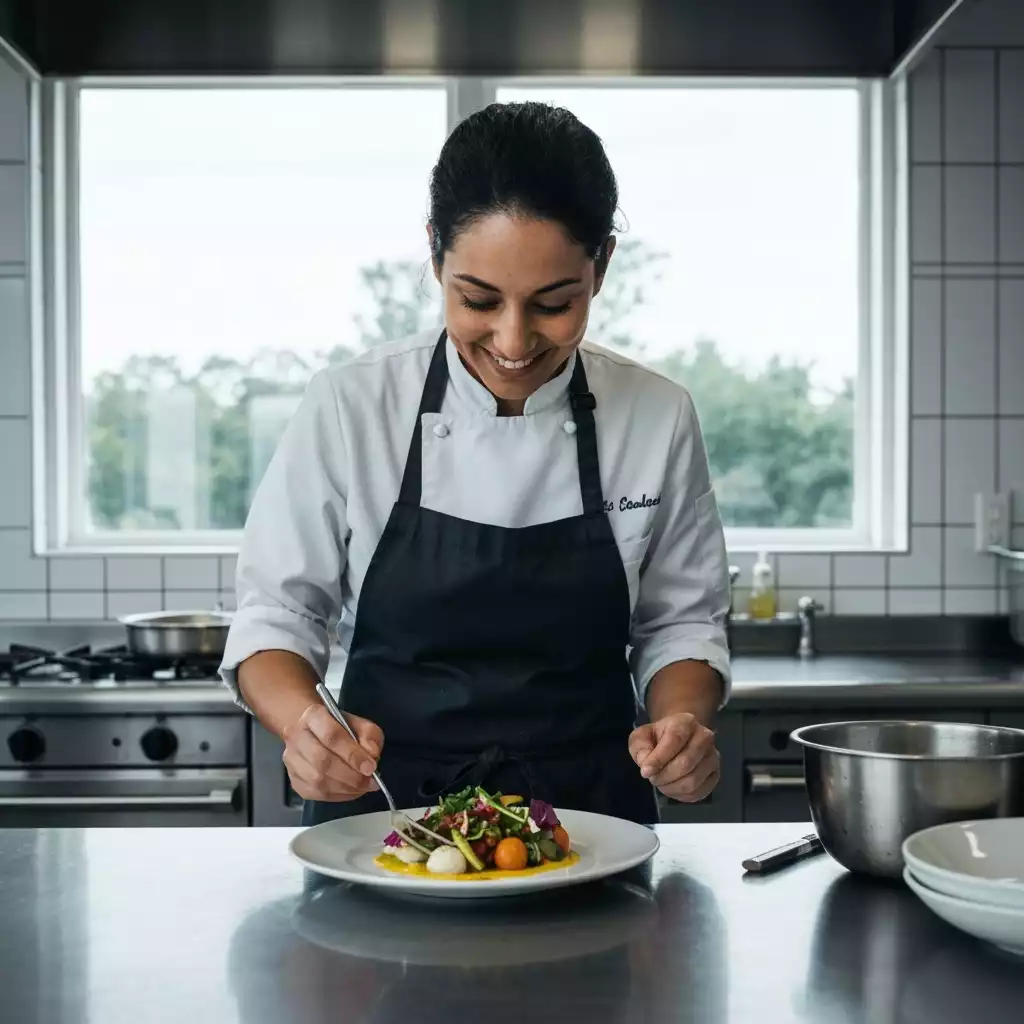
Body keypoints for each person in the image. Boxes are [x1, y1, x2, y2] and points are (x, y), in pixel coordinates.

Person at [220, 101, 731, 827]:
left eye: (554, 303)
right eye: (478, 299)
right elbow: (276, 614)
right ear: (435, 255)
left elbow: (681, 624)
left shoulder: (656, 414)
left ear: (603, 265)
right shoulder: (351, 406)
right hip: (385, 823)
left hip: (589, 825)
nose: (513, 340)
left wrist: (681, 726)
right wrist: (303, 726)